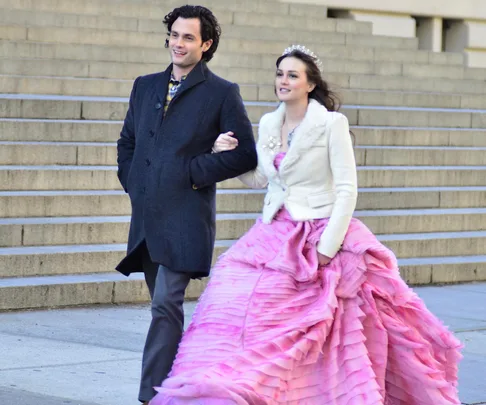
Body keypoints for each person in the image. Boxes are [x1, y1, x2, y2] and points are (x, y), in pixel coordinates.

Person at [149, 46, 462, 404]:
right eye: (280, 73)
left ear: (310, 84)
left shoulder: (331, 124)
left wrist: (327, 249)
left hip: (317, 232)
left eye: (293, 75)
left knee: (307, 325)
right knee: (230, 302)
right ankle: (225, 385)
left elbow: (346, 189)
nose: (284, 81)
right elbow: (261, 179)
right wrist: (222, 154)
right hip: (270, 234)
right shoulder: (269, 122)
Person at [115, 5, 258, 404]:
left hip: (186, 218)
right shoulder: (145, 85)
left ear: (206, 44)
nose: (178, 43)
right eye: (174, 35)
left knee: (165, 303)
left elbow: (245, 154)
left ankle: (152, 396)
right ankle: (180, 384)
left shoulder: (222, 92)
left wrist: (195, 171)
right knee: (162, 309)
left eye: (188, 37)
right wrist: (133, 182)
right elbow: (127, 141)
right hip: (146, 217)